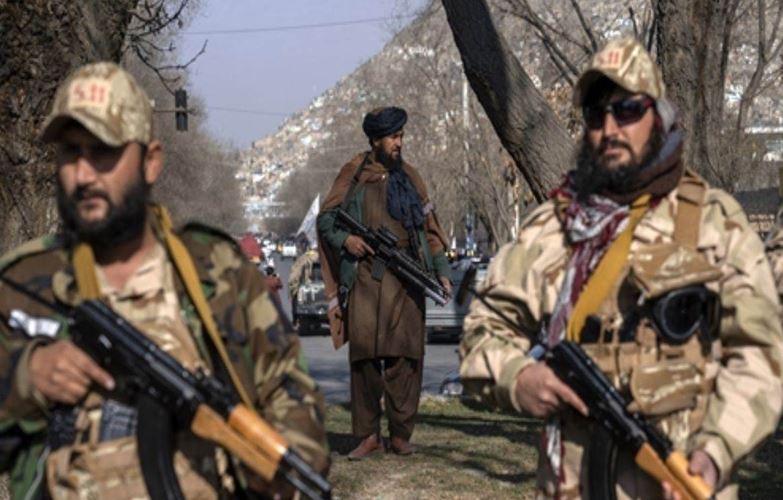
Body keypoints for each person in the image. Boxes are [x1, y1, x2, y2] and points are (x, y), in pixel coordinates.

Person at [459, 38, 783, 499]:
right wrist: (518, 377)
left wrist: (715, 452)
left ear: (659, 116)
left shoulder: (713, 223)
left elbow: (761, 355)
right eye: (596, 115)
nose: (610, 128)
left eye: (627, 110)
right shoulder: (554, 228)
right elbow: (482, 333)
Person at [0, 62, 328, 499]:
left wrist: (278, 464)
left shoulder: (218, 272)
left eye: (103, 152)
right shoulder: (24, 282)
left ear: (151, 162)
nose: (83, 175)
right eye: (70, 153)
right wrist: (26, 376)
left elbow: (294, 397)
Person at [317, 106, 451, 459]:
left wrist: (441, 271)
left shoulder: (411, 177)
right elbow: (326, 220)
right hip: (365, 279)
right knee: (364, 361)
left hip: (406, 278)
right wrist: (347, 240)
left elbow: (431, 230)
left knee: (405, 359)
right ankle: (368, 435)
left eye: (401, 136)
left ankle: (401, 435)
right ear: (375, 140)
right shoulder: (354, 173)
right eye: (393, 137)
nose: (399, 143)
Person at [288, 247, 319, 327]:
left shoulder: (303, 259)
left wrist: (293, 290)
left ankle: (295, 321)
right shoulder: (320, 258)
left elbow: (293, 278)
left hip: (303, 289)